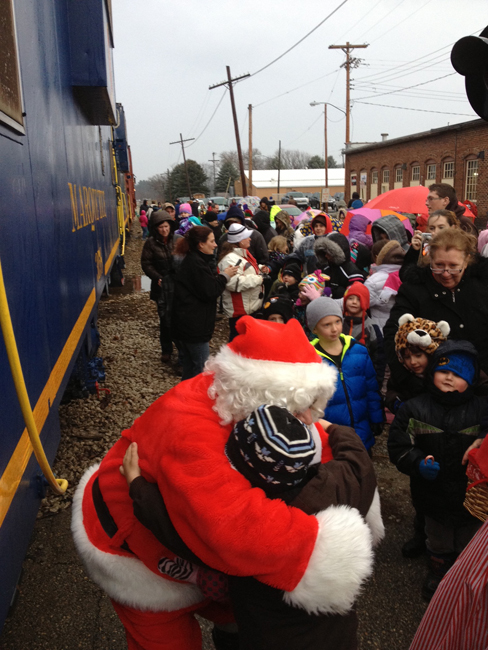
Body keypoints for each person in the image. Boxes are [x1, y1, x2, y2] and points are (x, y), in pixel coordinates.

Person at [72, 316, 378, 650]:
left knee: (236, 613)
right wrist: (324, 549)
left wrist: (332, 434)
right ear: (264, 395)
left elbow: (305, 434)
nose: (310, 420)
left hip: (181, 542)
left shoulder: (248, 406)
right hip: (133, 549)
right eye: (303, 407)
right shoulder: (193, 431)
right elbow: (235, 530)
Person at [122, 404, 384, 650]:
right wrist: (336, 430)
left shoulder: (256, 529)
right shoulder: (340, 485)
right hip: (337, 638)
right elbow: (359, 463)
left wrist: (138, 488)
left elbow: (191, 536)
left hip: (269, 640)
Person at [388, 340, 485, 601]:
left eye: (459, 374)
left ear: (472, 380)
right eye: (444, 371)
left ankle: (464, 575)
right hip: (431, 492)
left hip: (471, 498)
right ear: (432, 373)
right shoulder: (414, 408)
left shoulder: (482, 410)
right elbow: (399, 446)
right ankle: (438, 573)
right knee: (437, 538)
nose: (450, 378)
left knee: (468, 539)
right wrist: (417, 462)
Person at [384, 228, 488, 395]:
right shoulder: (414, 290)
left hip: (480, 386)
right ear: (429, 259)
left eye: (454, 267)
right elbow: (392, 334)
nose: (446, 273)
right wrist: (410, 380)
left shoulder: (482, 286)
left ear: (467, 261)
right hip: (428, 388)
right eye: (438, 265)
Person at [385, 314, 450, 559]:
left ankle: (443, 540)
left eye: (419, 355)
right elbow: (391, 390)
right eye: (407, 356)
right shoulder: (404, 376)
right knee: (420, 489)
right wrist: (395, 402)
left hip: (443, 438)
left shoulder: (445, 375)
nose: (413, 362)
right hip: (418, 441)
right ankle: (420, 533)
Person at [307, 297, 384, 453]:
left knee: (363, 470)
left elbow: (371, 388)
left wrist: (376, 417)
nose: (334, 329)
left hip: (361, 431)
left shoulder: (358, 351)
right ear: (314, 329)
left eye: (337, 322)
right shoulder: (309, 359)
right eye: (326, 325)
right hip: (331, 435)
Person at [171, 227, 238, 381]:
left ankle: (183, 400)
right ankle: (194, 401)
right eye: (212, 241)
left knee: (190, 368)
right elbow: (210, 291)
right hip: (194, 328)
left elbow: (204, 286)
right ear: (201, 244)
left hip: (186, 325)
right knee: (202, 370)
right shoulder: (196, 264)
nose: (215, 245)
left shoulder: (193, 260)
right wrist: (225, 276)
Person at [218, 223, 266, 340]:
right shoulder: (230, 259)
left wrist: (258, 268)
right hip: (240, 311)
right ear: (239, 240)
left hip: (247, 307)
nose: (250, 239)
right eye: (246, 237)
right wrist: (259, 279)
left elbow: (243, 269)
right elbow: (233, 282)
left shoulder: (241, 255)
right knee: (239, 341)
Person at [141, 211, 178, 363]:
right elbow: (146, 264)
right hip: (161, 285)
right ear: (156, 228)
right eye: (161, 227)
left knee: (179, 317)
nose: (164, 230)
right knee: (164, 319)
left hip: (177, 284)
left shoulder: (177, 240)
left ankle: (182, 350)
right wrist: (157, 277)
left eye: (166, 226)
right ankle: (166, 350)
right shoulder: (150, 243)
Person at [342, 283, 385, 386]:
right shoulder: (339, 323)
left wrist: (377, 380)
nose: (354, 302)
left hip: (364, 377)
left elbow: (379, 357)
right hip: (343, 376)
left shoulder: (371, 327)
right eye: (350, 298)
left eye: (358, 299)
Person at [401, 209, 460, 277]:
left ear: (452, 228)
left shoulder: (462, 248)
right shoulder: (424, 247)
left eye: (441, 227)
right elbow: (404, 275)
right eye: (432, 228)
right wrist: (415, 251)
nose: (434, 232)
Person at [365, 240, 405, 330]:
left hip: (381, 330)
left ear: (378, 257)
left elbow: (359, 303)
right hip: (404, 331)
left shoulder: (373, 281)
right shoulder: (408, 275)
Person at [313, 232, 366, 298]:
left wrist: (333, 292)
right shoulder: (326, 268)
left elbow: (354, 299)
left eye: (329, 253)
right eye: (325, 252)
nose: (326, 255)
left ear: (337, 253)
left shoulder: (353, 273)